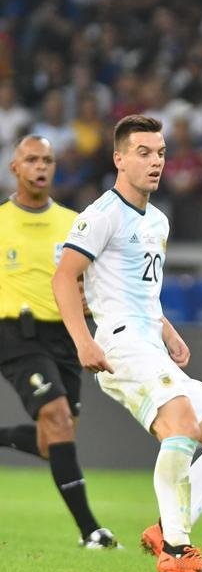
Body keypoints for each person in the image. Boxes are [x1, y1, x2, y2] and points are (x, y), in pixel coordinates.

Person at [52, 115, 202, 572]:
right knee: (180, 424)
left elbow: (140, 289)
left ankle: (166, 529)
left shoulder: (157, 221)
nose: (155, 161)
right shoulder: (102, 214)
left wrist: (166, 328)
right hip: (120, 344)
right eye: (143, 152)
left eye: (161, 153)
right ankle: (178, 551)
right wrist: (83, 340)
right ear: (119, 158)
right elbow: (64, 277)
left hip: (150, 344)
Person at [0, 135, 117, 548]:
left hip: (65, 336)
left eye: (47, 159)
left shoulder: (73, 222)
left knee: (56, 441)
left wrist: (89, 300)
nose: (40, 166)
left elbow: (91, 280)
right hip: (16, 334)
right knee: (58, 418)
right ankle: (92, 531)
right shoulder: (1, 222)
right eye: (31, 159)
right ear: (15, 167)